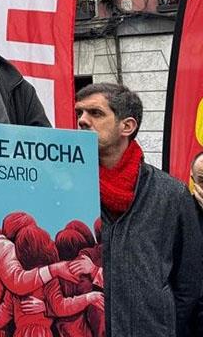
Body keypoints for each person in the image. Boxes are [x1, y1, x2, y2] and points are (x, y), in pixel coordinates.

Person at [75, 82, 203, 336]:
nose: (82, 120)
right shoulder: (69, 189)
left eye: (95, 113)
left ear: (127, 126)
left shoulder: (171, 195)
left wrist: (163, 325)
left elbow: (189, 282)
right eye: (79, 112)